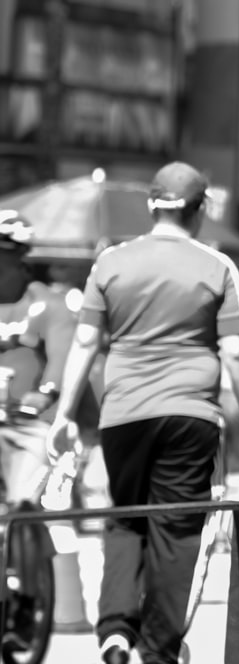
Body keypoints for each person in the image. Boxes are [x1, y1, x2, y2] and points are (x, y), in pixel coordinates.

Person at [45, 162, 239, 664]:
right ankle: (158, 646)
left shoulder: (110, 262)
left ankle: (115, 634)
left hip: (122, 411)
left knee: (124, 521)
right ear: (201, 210)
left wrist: (63, 414)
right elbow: (236, 354)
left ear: (151, 206)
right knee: (176, 529)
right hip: (191, 414)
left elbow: (86, 341)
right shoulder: (217, 267)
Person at [0, 212, 98, 634]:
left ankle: (24, 595)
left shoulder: (49, 303)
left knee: (23, 504)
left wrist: (46, 391)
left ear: (19, 258)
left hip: (28, 426)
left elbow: (60, 359)